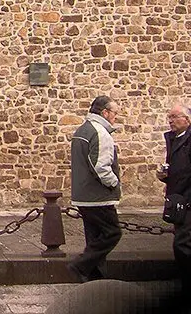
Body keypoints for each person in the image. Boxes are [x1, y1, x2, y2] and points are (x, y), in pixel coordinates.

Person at [69, 95, 122, 282]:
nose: (116, 117)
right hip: (98, 197)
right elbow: (100, 166)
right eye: (115, 113)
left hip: (82, 195)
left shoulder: (82, 130)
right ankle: (81, 265)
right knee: (112, 233)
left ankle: (94, 278)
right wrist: (114, 183)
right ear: (105, 112)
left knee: (94, 238)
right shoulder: (100, 132)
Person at [159, 102, 191, 292]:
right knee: (181, 241)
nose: (170, 121)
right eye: (169, 117)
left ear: (186, 119)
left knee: (183, 243)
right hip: (177, 198)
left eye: (173, 117)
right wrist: (166, 177)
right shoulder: (174, 139)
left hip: (187, 198)